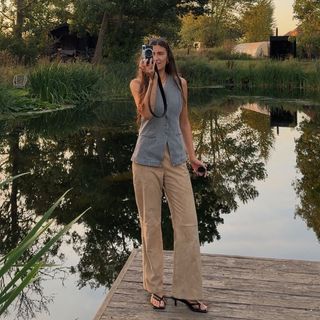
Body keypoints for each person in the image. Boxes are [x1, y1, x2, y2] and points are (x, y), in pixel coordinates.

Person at [129, 37, 208, 313]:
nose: (158, 57)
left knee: (187, 223)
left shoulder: (181, 84)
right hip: (146, 161)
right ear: (146, 57)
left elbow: (184, 121)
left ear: (169, 56)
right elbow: (146, 113)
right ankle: (155, 288)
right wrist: (149, 79)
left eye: (162, 53)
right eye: (153, 53)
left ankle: (188, 291)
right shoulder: (138, 84)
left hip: (175, 158)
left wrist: (193, 155)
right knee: (151, 225)